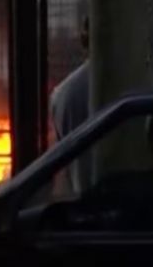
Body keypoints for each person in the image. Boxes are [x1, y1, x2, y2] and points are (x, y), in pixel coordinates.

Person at [49, 17, 92, 193]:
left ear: (83, 41)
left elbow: (61, 162)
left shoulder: (61, 94)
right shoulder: (136, 87)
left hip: (81, 198)